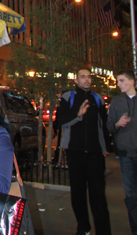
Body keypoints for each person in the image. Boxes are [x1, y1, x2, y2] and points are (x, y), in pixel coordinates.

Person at [59, 68, 111, 235]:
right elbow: (61, 119)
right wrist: (78, 113)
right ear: (76, 80)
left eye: (88, 77)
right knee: (78, 193)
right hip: (75, 152)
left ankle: (103, 230)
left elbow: (104, 125)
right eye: (83, 77)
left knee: (98, 195)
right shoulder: (68, 97)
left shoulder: (98, 99)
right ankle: (83, 227)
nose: (87, 80)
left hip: (95, 153)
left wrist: (105, 148)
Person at [107, 69, 137, 235]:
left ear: (132, 82)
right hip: (125, 154)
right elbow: (109, 126)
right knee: (131, 195)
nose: (119, 85)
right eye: (118, 81)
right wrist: (117, 124)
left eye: (122, 81)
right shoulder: (116, 102)